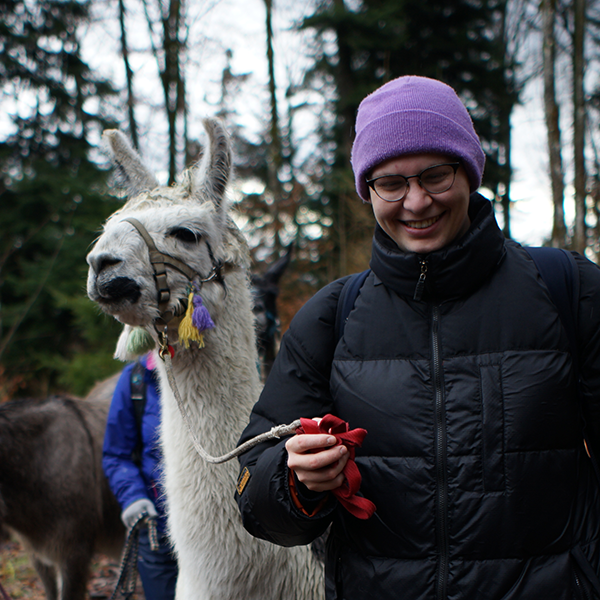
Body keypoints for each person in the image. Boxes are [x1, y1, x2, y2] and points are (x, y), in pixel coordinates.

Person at [235, 75, 600, 600]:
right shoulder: (332, 316)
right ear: (368, 190)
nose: (416, 201)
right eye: (391, 183)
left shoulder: (568, 289)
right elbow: (254, 494)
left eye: (435, 175)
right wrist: (295, 481)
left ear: (469, 172)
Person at [103, 353, 178, 600]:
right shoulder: (136, 380)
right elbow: (116, 454)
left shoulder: (213, 371)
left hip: (211, 529)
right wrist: (133, 497)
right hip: (156, 528)